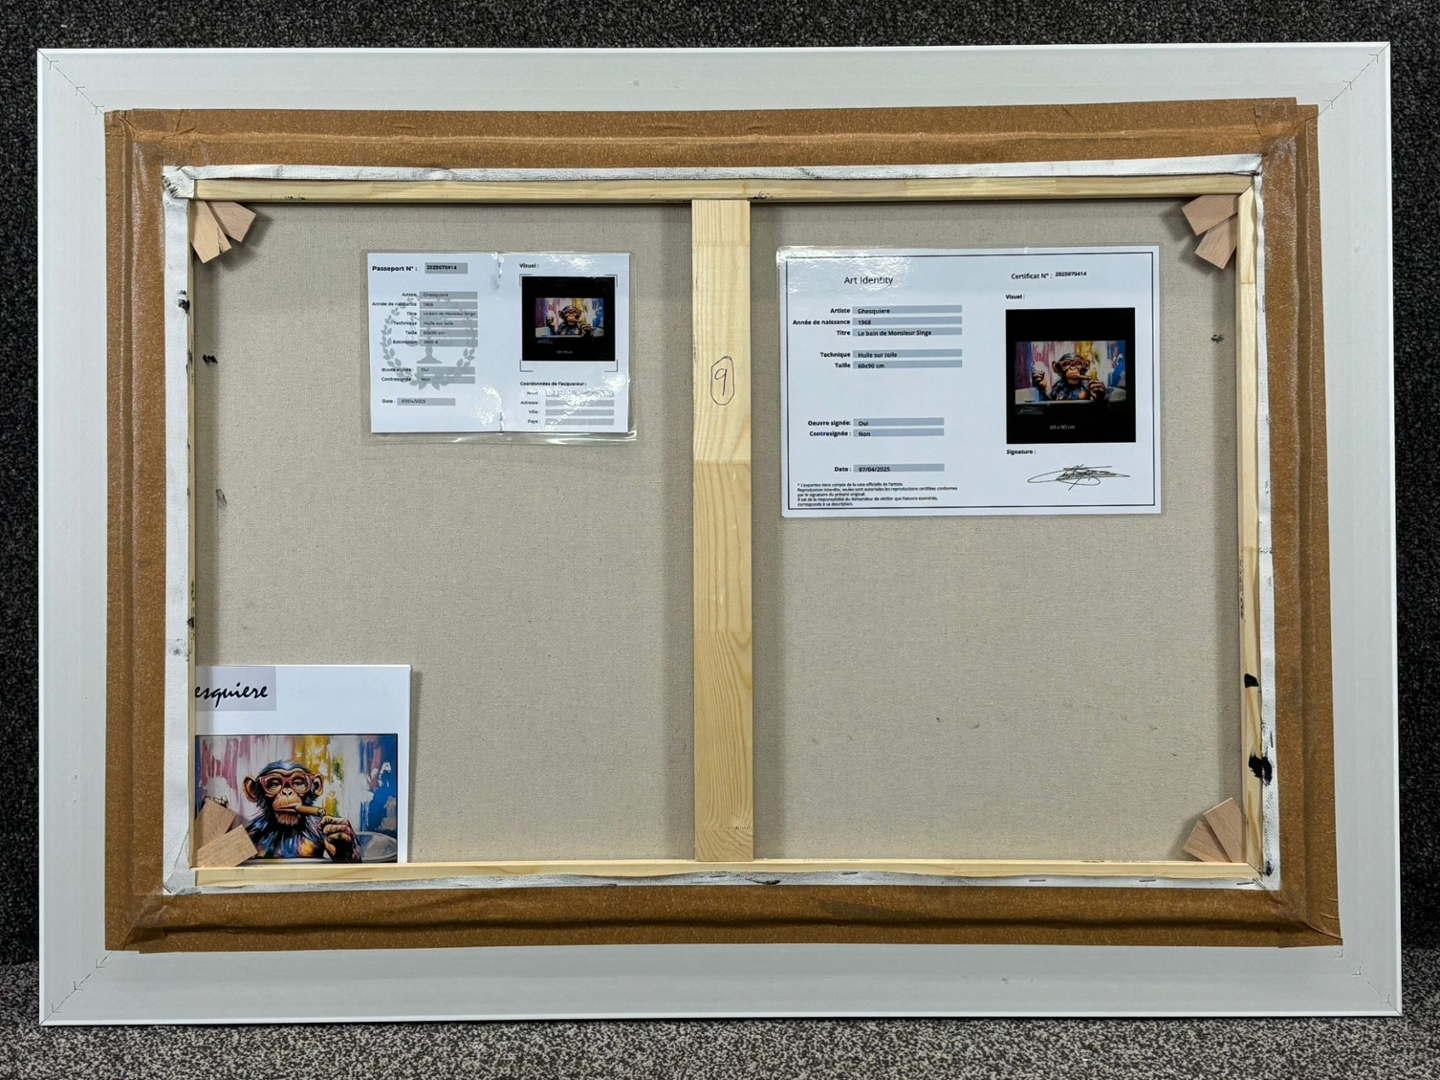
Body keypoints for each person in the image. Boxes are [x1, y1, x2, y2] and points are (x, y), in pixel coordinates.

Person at [1032, 352, 1107, 402]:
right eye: (1067, 364)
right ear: (1057, 368)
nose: (1072, 368)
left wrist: (1100, 397)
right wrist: (1041, 389)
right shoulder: (1058, 386)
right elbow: (1050, 407)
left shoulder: (1089, 385)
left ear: (1086, 366)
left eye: (1077, 364)